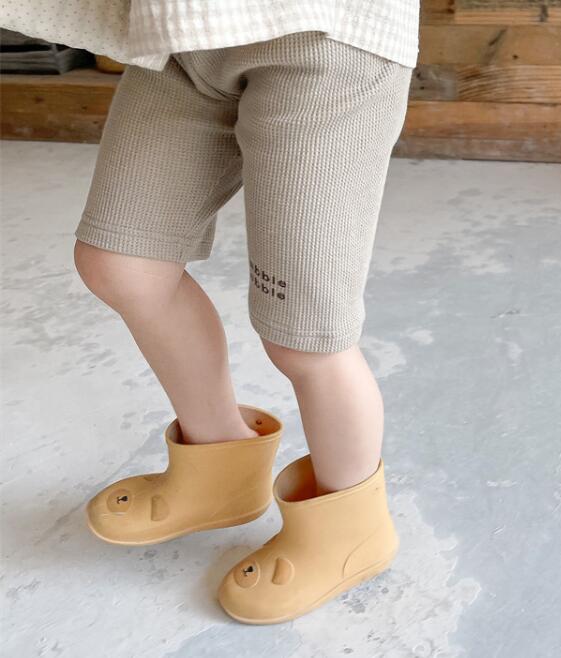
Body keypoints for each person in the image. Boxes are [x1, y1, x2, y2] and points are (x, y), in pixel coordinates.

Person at [69, 1, 419, 624]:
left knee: (306, 335)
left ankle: (351, 533)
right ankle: (218, 468)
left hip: (325, 33)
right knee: (122, 263)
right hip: (182, 27)